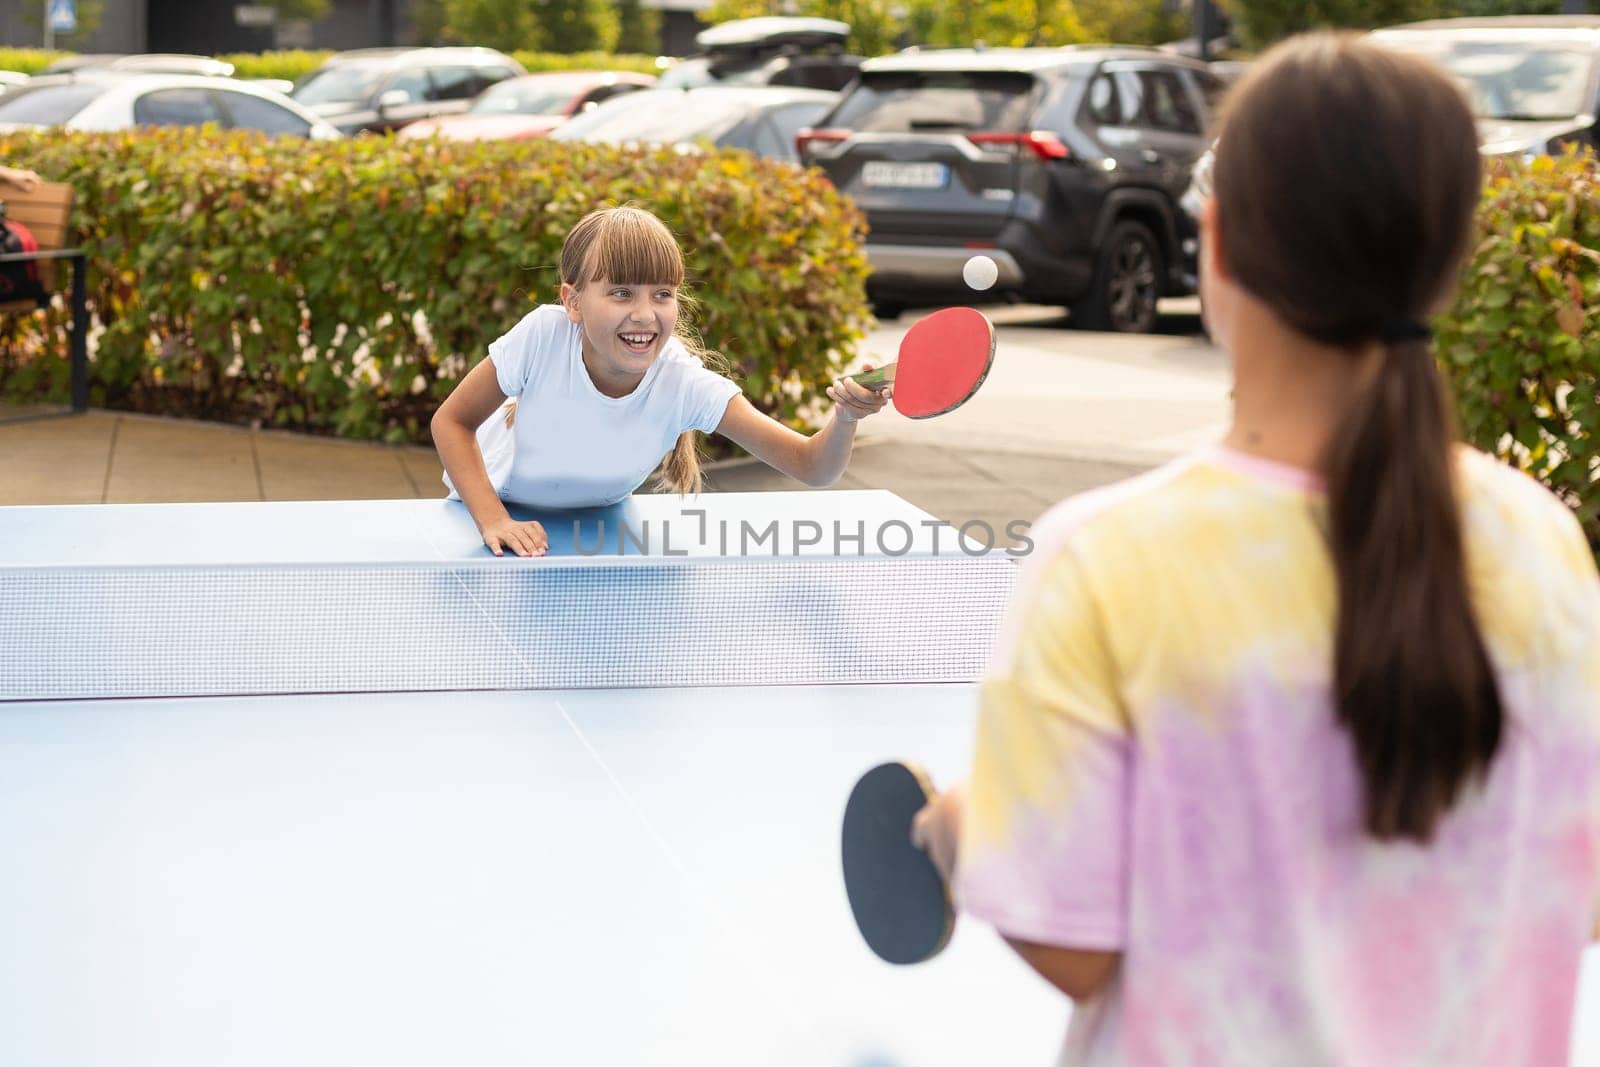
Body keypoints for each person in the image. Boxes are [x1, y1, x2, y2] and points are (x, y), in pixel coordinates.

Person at [911, 32, 1600, 1065]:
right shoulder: (1541, 541)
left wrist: (961, 827)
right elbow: (1575, 893)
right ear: (1450, 265)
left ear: (1217, 241)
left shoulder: (1103, 559)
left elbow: (1073, 945)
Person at [431, 205, 887, 556]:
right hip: (492, 510)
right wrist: (493, 520)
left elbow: (812, 466)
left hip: (600, 526)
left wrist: (846, 418)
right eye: (621, 292)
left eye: (662, 294)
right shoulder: (544, 335)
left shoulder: (684, 381)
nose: (645, 315)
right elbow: (451, 422)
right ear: (573, 301)